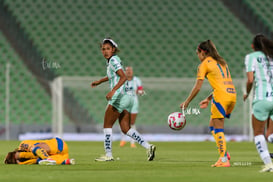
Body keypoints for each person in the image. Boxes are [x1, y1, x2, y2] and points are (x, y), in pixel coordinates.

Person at [91, 38, 156, 161]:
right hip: (127, 97)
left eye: (108, 49)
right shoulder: (113, 61)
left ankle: (108, 155)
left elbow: (123, 77)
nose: (105, 51)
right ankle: (148, 146)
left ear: (113, 49)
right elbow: (113, 75)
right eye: (103, 49)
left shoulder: (113, 60)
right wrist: (100, 81)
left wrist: (113, 90)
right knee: (125, 128)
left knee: (107, 125)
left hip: (119, 96)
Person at [180, 40, 236, 167]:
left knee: (218, 128)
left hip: (221, 97)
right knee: (212, 125)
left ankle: (223, 160)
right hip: (232, 95)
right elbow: (222, 84)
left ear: (203, 53)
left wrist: (187, 102)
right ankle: (225, 153)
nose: (198, 56)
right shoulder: (222, 62)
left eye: (197, 53)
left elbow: (197, 87)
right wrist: (208, 99)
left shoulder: (204, 65)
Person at [243, 34, 273, 172]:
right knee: (270, 135)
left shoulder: (251, 57)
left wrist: (247, 93)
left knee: (258, 133)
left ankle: (269, 164)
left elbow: (250, 80)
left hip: (262, 99)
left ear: (253, 46)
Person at [120, 66, 145, 148]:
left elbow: (141, 90)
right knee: (124, 122)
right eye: (127, 70)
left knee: (132, 123)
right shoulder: (122, 80)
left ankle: (132, 142)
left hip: (134, 103)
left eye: (130, 70)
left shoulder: (136, 80)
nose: (129, 72)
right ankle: (123, 140)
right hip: (125, 103)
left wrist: (140, 92)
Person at [4, 137, 75, 165]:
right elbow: (35, 160)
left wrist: (46, 159)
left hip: (58, 144)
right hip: (63, 155)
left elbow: (36, 149)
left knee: (37, 149)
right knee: (39, 160)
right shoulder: (24, 161)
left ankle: (48, 158)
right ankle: (67, 161)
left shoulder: (23, 145)